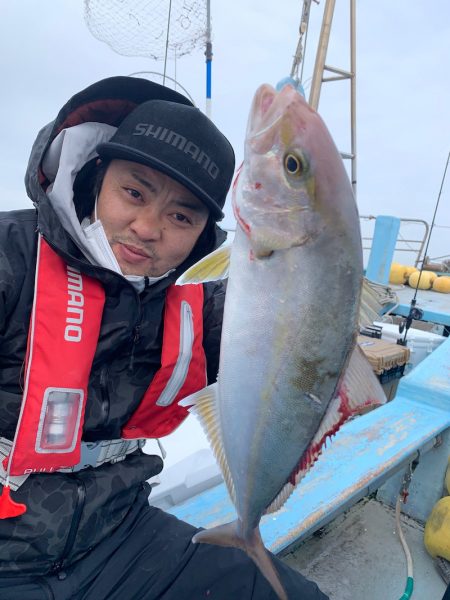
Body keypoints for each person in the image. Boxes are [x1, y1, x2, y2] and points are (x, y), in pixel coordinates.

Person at [0, 75, 328, 600]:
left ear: (206, 232)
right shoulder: (10, 256)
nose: (148, 227)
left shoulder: (213, 304)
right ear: (97, 177)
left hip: (121, 538)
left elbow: (298, 355)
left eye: (182, 215)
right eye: (134, 192)